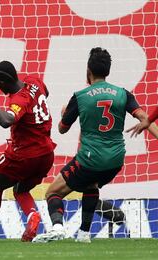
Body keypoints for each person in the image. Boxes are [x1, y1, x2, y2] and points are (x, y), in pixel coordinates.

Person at [32, 47, 150, 243]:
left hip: (90, 159)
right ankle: (84, 234)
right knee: (91, 185)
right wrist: (143, 123)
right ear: (108, 71)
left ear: (88, 70)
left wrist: (64, 114)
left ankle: (58, 228)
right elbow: (143, 117)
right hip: (115, 160)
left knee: (52, 192)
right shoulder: (123, 94)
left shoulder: (80, 96)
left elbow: (62, 129)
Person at [0, 61, 56, 242]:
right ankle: (32, 216)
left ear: (2, 83)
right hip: (46, 154)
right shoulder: (34, 81)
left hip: (25, 155)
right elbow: (46, 93)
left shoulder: (18, 100)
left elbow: (7, 120)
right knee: (20, 189)